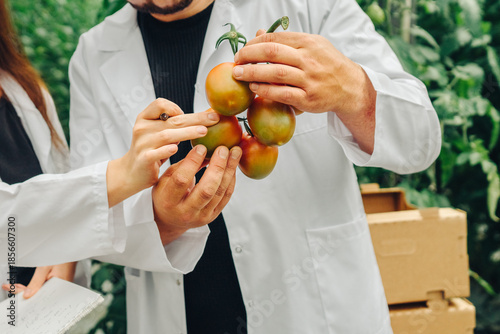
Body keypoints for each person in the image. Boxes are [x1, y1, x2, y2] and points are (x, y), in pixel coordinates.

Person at [68, 0, 441, 333]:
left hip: (314, 312)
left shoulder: (310, 7)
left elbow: (420, 139)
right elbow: (93, 215)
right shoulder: (94, 52)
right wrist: (160, 221)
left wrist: (352, 90)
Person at [0, 0, 232, 302]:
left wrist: (64, 253)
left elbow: (67, 201)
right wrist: (130, 184)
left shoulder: (24, 90)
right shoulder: (94, 51)